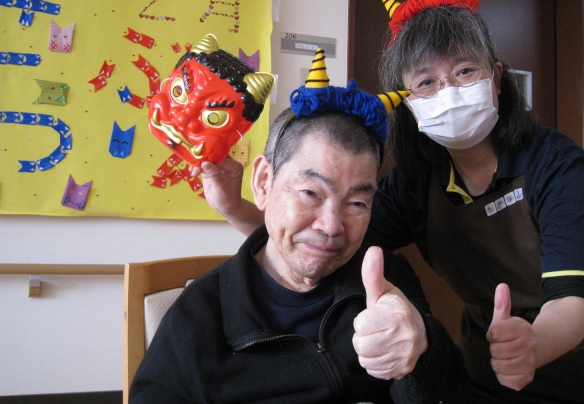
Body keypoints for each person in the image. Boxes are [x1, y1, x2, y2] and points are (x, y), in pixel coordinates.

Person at [199, 0, 584, 403]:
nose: (448, 91)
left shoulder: (555, 162)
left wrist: (533, 345)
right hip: (491, 368)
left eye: (465, 71)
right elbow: (325, 242)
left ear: (496, 79)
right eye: (426, 82)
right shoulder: (415, 183)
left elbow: (573, 296)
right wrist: (233, 206)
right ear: (409, 104)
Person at [130, 53, 470, 403]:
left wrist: (423, 348)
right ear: (263, 182)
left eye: (357, 203)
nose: (332, 226)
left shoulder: (388, 283)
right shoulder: (199, 315)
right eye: (310, 193)